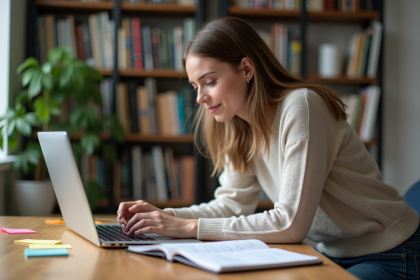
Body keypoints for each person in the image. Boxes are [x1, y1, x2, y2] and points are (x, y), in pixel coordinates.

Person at [117, 17, 420, 280]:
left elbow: (289, 224)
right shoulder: (240, 126)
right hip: (330, 254)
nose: (200, 98)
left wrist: (183, 227)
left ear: (246, 68)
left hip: (391, 251)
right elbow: (231, 206)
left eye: (209, 82)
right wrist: (163, 217)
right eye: (196, 86)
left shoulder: (301, 107)